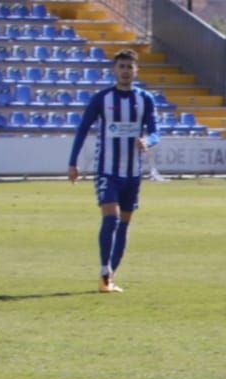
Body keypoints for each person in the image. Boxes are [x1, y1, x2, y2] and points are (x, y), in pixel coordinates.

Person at [67, 49, 158, 294]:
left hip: (133, 173)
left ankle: (109, 279)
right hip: (107, 171)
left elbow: (156, 131)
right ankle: (104, 269)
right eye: (121, 66)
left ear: (136, 70)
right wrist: (73, 162)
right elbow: (83, 129)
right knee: (111, 218)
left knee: (125, 225)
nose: (125, 71)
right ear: (114, 70)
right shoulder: (102, 98)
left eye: (129, 67)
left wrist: (148, 141)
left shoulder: (145, 99)